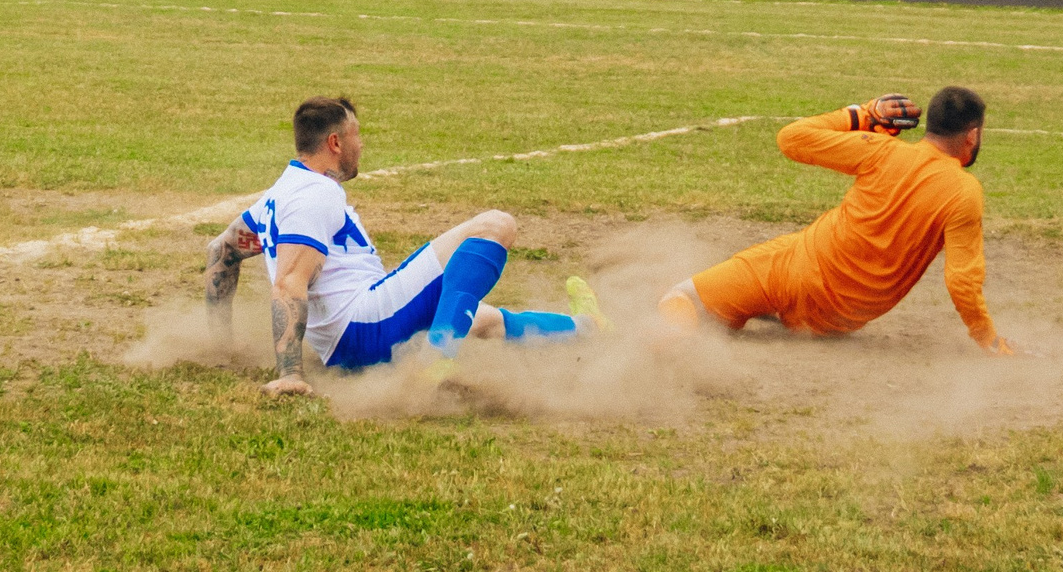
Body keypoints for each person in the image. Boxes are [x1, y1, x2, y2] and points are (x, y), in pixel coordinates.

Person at [205, 96, 605, 394]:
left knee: (477, 317)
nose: (362, 144)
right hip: (366, 327)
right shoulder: (314, 194)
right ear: (335, 142)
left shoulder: (279, 194)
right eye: (357, 134)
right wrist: (290, 373)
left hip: (354, 333)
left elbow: (221, 253)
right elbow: (289, 282)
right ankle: (437, 357)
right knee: (496, 225)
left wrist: (221, 346)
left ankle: (588, 328)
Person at [659, 88, 1016, 355]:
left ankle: (675, 353)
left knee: (681, 297)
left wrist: (863, 115)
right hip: (836, 318)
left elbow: (791, 139)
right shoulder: (964, 192)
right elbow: (961, 281)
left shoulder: (883, 151)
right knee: (769, 273)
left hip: (793, 271)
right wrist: (988, 339)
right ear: (972, 135)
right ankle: (761, 309)